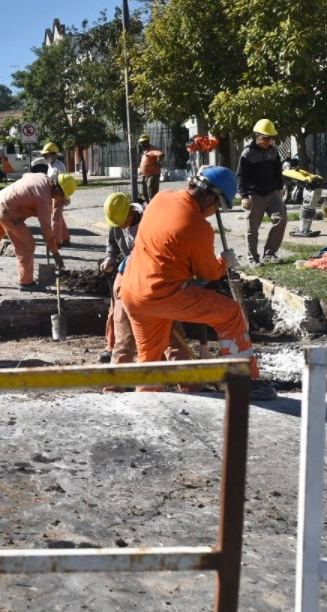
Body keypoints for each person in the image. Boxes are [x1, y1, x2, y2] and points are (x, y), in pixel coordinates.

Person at [120, 166, 277, 400]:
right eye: (217, 206)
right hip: (164, 293)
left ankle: (147, 403)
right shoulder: (198, 226)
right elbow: (209, 272)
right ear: (209, 197)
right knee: (230, 313)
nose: (214, 212)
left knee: (149, 355)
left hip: (132, 291)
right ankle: (244, 382)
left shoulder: (161, 198)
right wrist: (224, 262)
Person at [99, 193, 199, 393]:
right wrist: (110, 259)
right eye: (117, 224)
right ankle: (114, 390)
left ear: (131, 211)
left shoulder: (152, 221)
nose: (121, 227)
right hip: (126, 280)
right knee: (124, 339)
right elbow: (112, 243)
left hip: (156, 284)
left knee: (172, 338)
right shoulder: (117, 220)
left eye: (124, 222)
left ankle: (192, 388)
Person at [0, 171, 77, 291]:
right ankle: (26, 283)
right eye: (62, 197)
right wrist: (55, 253)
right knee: (27, 244)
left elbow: (25, 176)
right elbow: (46, 227)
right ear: (58, 190)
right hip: (8, 213)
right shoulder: (44, 198)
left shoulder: (41, 177)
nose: (60, 200)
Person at [237, 118, 286, 265]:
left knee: (281, 220)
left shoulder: (274, 151)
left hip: (272, 193)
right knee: (252, 229)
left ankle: (269, 254)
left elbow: (278, 172)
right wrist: (244, 197)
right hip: (254, 195)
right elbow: (240, 176)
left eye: (271, 138)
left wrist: (280, 188)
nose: (269, 141)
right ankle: (253, 258)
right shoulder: (247, 153)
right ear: (257, 136)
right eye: (266, 138)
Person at [39, 142, 70, 247]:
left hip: (59, 194)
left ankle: (56, 241)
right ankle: (65, 239)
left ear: (53, 154)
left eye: (46, 155)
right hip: (52, 194)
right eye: (44, 155)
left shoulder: (60, 166)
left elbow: (65, 182)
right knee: (58, 215)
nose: (45, 157)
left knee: (55, 218)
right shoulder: (50, 165)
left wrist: (66, 197)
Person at [138, 134, 165, 201]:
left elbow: (161, 155)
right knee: (145, 194)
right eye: (141, 143)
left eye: (143, 143)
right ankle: (148, 208)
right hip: (145, 176)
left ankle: (153, 209)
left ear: (147, 142)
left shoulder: (152, 149)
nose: (142, 144)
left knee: (152, 194)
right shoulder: (145, 151)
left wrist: (157, 162)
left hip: (152, 176)